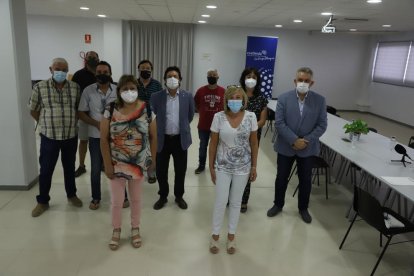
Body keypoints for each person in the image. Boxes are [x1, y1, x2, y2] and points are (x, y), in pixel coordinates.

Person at [100, 75, 157, 250]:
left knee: (136, 199)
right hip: (116, 163)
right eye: (125, 89)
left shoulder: (147, 109)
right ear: (119, 91)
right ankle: (116, 230)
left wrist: (152, 161)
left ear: (137, 89)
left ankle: (135, 228)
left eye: (132, 88)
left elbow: (154, 137)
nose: (129, 92)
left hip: (139, 165)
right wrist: (108, 164)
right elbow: (103, 138)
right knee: (117, 201)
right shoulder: (110, 109)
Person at [267, 67, 327, 224]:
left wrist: (305, 141)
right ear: (295, 81)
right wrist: (294, 140)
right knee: (281, 177)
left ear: (311, 83)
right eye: (300, 80)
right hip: (286, 146)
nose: (303, 83)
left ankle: (303, 208)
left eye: (306, 81)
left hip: (307, 148)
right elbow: (279, 123)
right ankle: (278, 204)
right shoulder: (284, 98)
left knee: (305, 180)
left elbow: (322, 125)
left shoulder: (320, 100)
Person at [29, 58, 83, 217]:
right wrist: (46, 123)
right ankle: (42, 201)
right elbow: (33, 110)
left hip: (70, 136)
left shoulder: (75, 87)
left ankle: (72, 195)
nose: (61, 72)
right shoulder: (40, 87)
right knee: (46, 170)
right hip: (49, 137)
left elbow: (78, 110)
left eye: (65, 69)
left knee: (69, 168)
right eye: (58, 68)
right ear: (51, 69)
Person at [208, 86, 258, 254]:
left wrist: (254, 166)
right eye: (232, 97)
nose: (235, 100)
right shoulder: (218, 117)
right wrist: (211, 166)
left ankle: (231, 236)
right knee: (221, 201)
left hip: (243, 167)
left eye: (238, 97)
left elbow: (254, 143)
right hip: (222, 165)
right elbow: (213, 143)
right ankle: (215, 236)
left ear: (243, 100)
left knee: (236, 202)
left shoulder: (251, 117)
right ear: (227, 100)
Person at [150, 66, 195, 210]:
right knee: (161, 171)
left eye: (175, 76)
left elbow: (190, 116)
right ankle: (163, 196)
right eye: (169, 76)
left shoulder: (187, 96)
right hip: (162, 139)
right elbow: (155, 116)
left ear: (180, 79)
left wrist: (180, 127)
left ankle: (179, 196)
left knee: (180, 170)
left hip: (180, 139)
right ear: (165, 80)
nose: (172, 79)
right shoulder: (156, 97)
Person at [78, 61, 117, 210]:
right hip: (95, 136)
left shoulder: (118, 89)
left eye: (105, 72)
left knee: (117, 167)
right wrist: (96, 123)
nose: (102, 74)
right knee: (95, 168)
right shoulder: (88, 91)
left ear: (110, 73)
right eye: (99, 72)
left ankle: (123, 195)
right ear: (95, 74)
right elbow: (81, 112)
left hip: (115, 136)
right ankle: (96, 197)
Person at [239, 67, 268, 213]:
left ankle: (243, 199)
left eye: (254, 77)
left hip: (253, 139)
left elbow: (262, 120)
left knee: (248, 167)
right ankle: (232, 197)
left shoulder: (261, 98)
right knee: (233, 166)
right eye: (248, 76)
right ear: (243, 78)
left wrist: (249, 129)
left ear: (257, 81)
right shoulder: (236, 95)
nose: (251, 79)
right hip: (235, 137)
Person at [72, 51, 100, 177]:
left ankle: (102, 164)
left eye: (94, 57)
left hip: (100, 115)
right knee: (83, 141)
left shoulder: (101, 73)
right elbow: (73, 94)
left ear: (98, 59)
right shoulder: (78, 75)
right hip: (84, 114)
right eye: (90, 57)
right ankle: (82, 165)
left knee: (101, 141)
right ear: (85, 59)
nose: (92, 59)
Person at [193, 69, 225, 174]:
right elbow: (195, 103)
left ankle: (215, 166)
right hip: (203, 125)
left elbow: (226, 106)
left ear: (218, 77)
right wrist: (201, 111)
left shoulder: (223, 91)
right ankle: (201, 165)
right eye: (210, 75)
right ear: (207, 77)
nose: (212, 76)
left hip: (218, 126)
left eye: (214, 75)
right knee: (203, 146)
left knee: (217, 146)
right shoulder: (200, 90)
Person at [137, 59, 162, 184]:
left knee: (153, 146)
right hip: (137, 120)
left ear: (151, 70)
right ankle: (139, 168)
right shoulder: (134, 84)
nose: (145, 70)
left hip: (153, 119)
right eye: (143, 68)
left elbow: (161, 102)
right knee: (140, 146)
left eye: (148, 68)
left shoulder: (157, 85)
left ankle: (152, 171)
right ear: (138, 69)